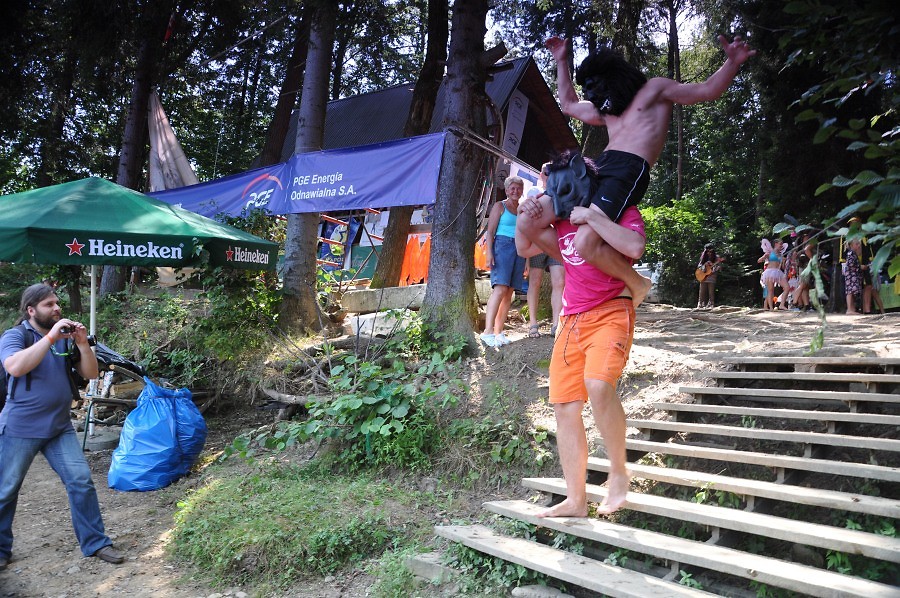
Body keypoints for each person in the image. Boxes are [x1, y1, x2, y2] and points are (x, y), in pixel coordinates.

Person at [521, 34, 755, 306]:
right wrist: (562, 60)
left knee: (584, 241)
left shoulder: (654, 90)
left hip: (628, 169)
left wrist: (732, 62)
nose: (593, 94)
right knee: (528, 221)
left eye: (596, 86)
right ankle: (582, 267)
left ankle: (636, 282)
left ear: (614, 77)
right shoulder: (608, 110)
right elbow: (569, 105)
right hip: (598, 166)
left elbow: (706, 90)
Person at [516, 190, 645, 517]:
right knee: (564, 407)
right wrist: (525, 210)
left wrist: (591, 217)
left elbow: (635, 247)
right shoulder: (560, 218)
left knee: (598, 385)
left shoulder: (620, 207)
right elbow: (523, 246)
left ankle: (619, 472)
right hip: (571, 320)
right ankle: (576, 500)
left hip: (612, 309)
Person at [0, 284, 124, 571]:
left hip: (59, 427)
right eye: (48, 304)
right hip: (20, 428)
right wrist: (51, 337)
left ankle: (96, 543)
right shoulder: (16, 336)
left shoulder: (64, 339)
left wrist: (82, 345)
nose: (56, 308)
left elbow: (90, 373)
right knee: (6, 489)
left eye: (57, 303)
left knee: (81, 481)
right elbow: (15, 367)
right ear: (31, 310)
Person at [481, 176, 528, 348]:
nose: (515, 191)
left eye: (518, 188)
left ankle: (498, 332)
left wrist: (527, 259)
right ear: (507, 190)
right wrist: (489, 253)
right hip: (502, 246)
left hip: (519, 249)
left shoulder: (523, 209)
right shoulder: (500, 206)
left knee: (509, 292)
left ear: (522, 191)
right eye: (512, 188)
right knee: (500, 288)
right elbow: (490, 231)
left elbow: (526, 234)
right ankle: (487, 332)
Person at [525, 162, 566, 337]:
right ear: (540, 174)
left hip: (556, 240)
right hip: (538, 241)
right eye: (545, 172)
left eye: (552, 171)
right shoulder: (533, 192)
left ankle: (556, 324)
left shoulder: (562, 191)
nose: (548, 174)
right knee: (535, 281)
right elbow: (527, 218)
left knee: (559, 282)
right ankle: (533, 324)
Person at [758, 238, 789, 310]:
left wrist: (784, 261)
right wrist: (764, 257)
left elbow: (783, 267)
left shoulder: (781, 255)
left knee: (787, 287)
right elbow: (759, 261)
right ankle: (771, 308)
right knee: (770, 290)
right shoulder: (769, 253)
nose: (781, 245)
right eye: (780, 244)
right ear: (776, 244)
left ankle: (782, 305)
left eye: (782, 244)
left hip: (778, 272)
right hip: (769, 272)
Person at [696, 243, 724, 308]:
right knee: (702, 291)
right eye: (707, 251)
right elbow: (699, 266)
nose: (709, 253)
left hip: (712, 277)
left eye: (710, 251)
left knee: (711, 291)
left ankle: (711, 304)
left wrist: (715, 268)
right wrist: (705, 265)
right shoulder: (703, 257)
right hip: (703, 276)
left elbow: (719, 267)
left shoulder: (717, 257)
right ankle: (700, 304)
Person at [844, 238, 863, 314]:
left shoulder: (853, 253)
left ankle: (851, 309)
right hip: (851, 275)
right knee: (850, 292)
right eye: (857, 244)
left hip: (853, 275)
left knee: (852, 292)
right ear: (851, 245)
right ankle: (849, 309)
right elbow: (851, 265)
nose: (858, 246)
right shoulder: (850, 253)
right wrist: (860, 267)